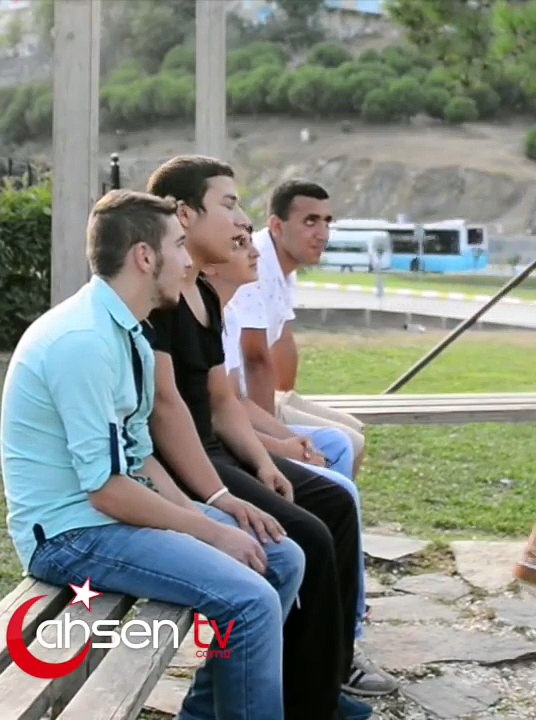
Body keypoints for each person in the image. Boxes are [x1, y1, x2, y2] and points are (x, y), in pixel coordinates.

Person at [0, 190, 305, 719]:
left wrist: (216, 506)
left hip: (109, 517)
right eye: (179, 245)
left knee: (281, 557)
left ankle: (206, 713)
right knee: (251, 599)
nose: (189, 261)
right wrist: (208, 531)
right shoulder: (82, 340)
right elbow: (107, 491)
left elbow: (138, 457)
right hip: (71, 537)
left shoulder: (129, 330)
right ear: (145, 256)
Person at [141, 155, 372, 720]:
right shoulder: (161, 300)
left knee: (335, 504)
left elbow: (223, 402)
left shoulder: (204, 297)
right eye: (229, 204)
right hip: (185, 464)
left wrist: (267, 462)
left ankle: (324, 681)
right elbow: (167, 413)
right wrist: (223, 495)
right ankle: (308, 702)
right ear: (184, 215)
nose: (241, 218)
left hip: (216, 451)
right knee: (307, 538)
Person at [206, 222, 396, 697]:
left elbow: (229, 402)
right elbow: (195, 419)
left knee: (334, 492)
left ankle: (337, 654)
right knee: (308, 531)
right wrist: (265, 457)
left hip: (229, 441)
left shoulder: (216, 309)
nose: (253, 249)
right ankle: (322, 667)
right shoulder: (186, 311)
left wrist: (278, 448)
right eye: (239, 240)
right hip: (206, 459)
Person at [228, 180, 368, 480]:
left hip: (264, 396)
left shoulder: (284, 267)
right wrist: (273, 439)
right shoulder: (255, 262)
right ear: (277, 226)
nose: (322, 234)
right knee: (348, 443)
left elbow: (283, 341)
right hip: (242, 401)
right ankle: (318, 501)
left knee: (356, 430)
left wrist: (286, 398)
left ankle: (333, 501)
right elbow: (255, 358)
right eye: (310, 221)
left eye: (327, 222)